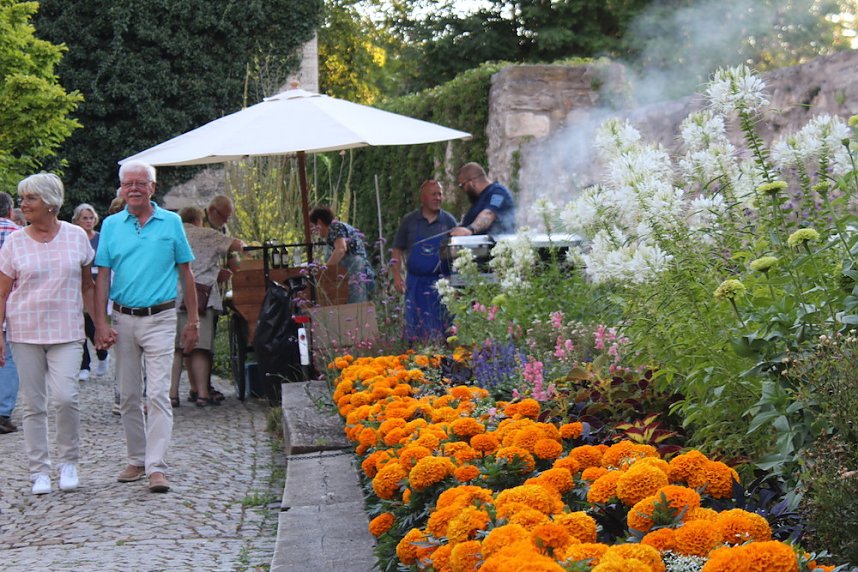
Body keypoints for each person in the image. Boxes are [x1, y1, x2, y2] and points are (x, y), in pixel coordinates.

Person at [93, 161, 198, 494]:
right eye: (128, 184)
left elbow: (186, 273)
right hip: (123, 318)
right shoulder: (111, 225)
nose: (134, 188)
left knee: (157, 394)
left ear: (153, 187)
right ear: (121, 189)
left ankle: (156, 467)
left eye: (141, 183)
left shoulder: (171, 222)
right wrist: (100, 322)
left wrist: (193, 320)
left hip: (161, 318)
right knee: (128, 395)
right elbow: (103, 276)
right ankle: (137, 459)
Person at [0, 173, 95, 494]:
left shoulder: (76, 237)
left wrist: (101, 325)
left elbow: (88, 286)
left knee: (66, 398)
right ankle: (39, 470)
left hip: (67, 331)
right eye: (22, 198)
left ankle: (68, 462)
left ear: (51, 203)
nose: (23, 205)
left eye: (31, 198)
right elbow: (2, 292)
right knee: (33, 405)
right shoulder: (14, 242)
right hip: (24, 332)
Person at [169, 206, 242, 408]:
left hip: (172, 295)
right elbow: (236, 245)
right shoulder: (207, 234)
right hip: (201, 296)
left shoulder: (170, 234)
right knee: (200, 348)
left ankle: (172, 395)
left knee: (175, 348)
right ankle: (202, 394)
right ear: (198, 220)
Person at [391, 180, 457, 342]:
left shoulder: (449, 221)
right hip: (415, 284)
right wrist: (397, 277)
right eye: (433, 194)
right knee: (416, 327)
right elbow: (397, 250)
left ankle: (443, 356)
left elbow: (457, 254)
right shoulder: (409, 221)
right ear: (422, 198)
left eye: (440, 194)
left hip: (442, 284)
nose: (437, 198)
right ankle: (415, 354)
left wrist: (456, 283)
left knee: (444, 329)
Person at [72, 204, 110, 380]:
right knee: (79, 326)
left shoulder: (101, 239)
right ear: (77, 220)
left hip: (97, 285)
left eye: (91, 218)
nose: (88, 221)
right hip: (77, 285)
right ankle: (84, 365)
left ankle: (102, 354)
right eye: (84, 218)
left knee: (92, 324)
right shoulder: (73, 239)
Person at [309, 206, 375, 303]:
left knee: (356, 306)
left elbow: (340, 249)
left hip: (355, 273)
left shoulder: (335, 227)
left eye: (313, 226)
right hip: (353, 275)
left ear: (319, 222)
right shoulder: (336, 230)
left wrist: (324, 272)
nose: (314, 231)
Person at [450, 162, 517, 237]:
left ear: (471, 182)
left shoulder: (498, 193)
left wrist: (470, 230)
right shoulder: (478, 200)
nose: (463, 190)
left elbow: (489, 214)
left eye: (462, 185)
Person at [0, 192, 20, 435]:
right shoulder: (19, 235)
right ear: (10, 211)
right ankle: (3, 412)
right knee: (8, 361)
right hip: (10, 305)